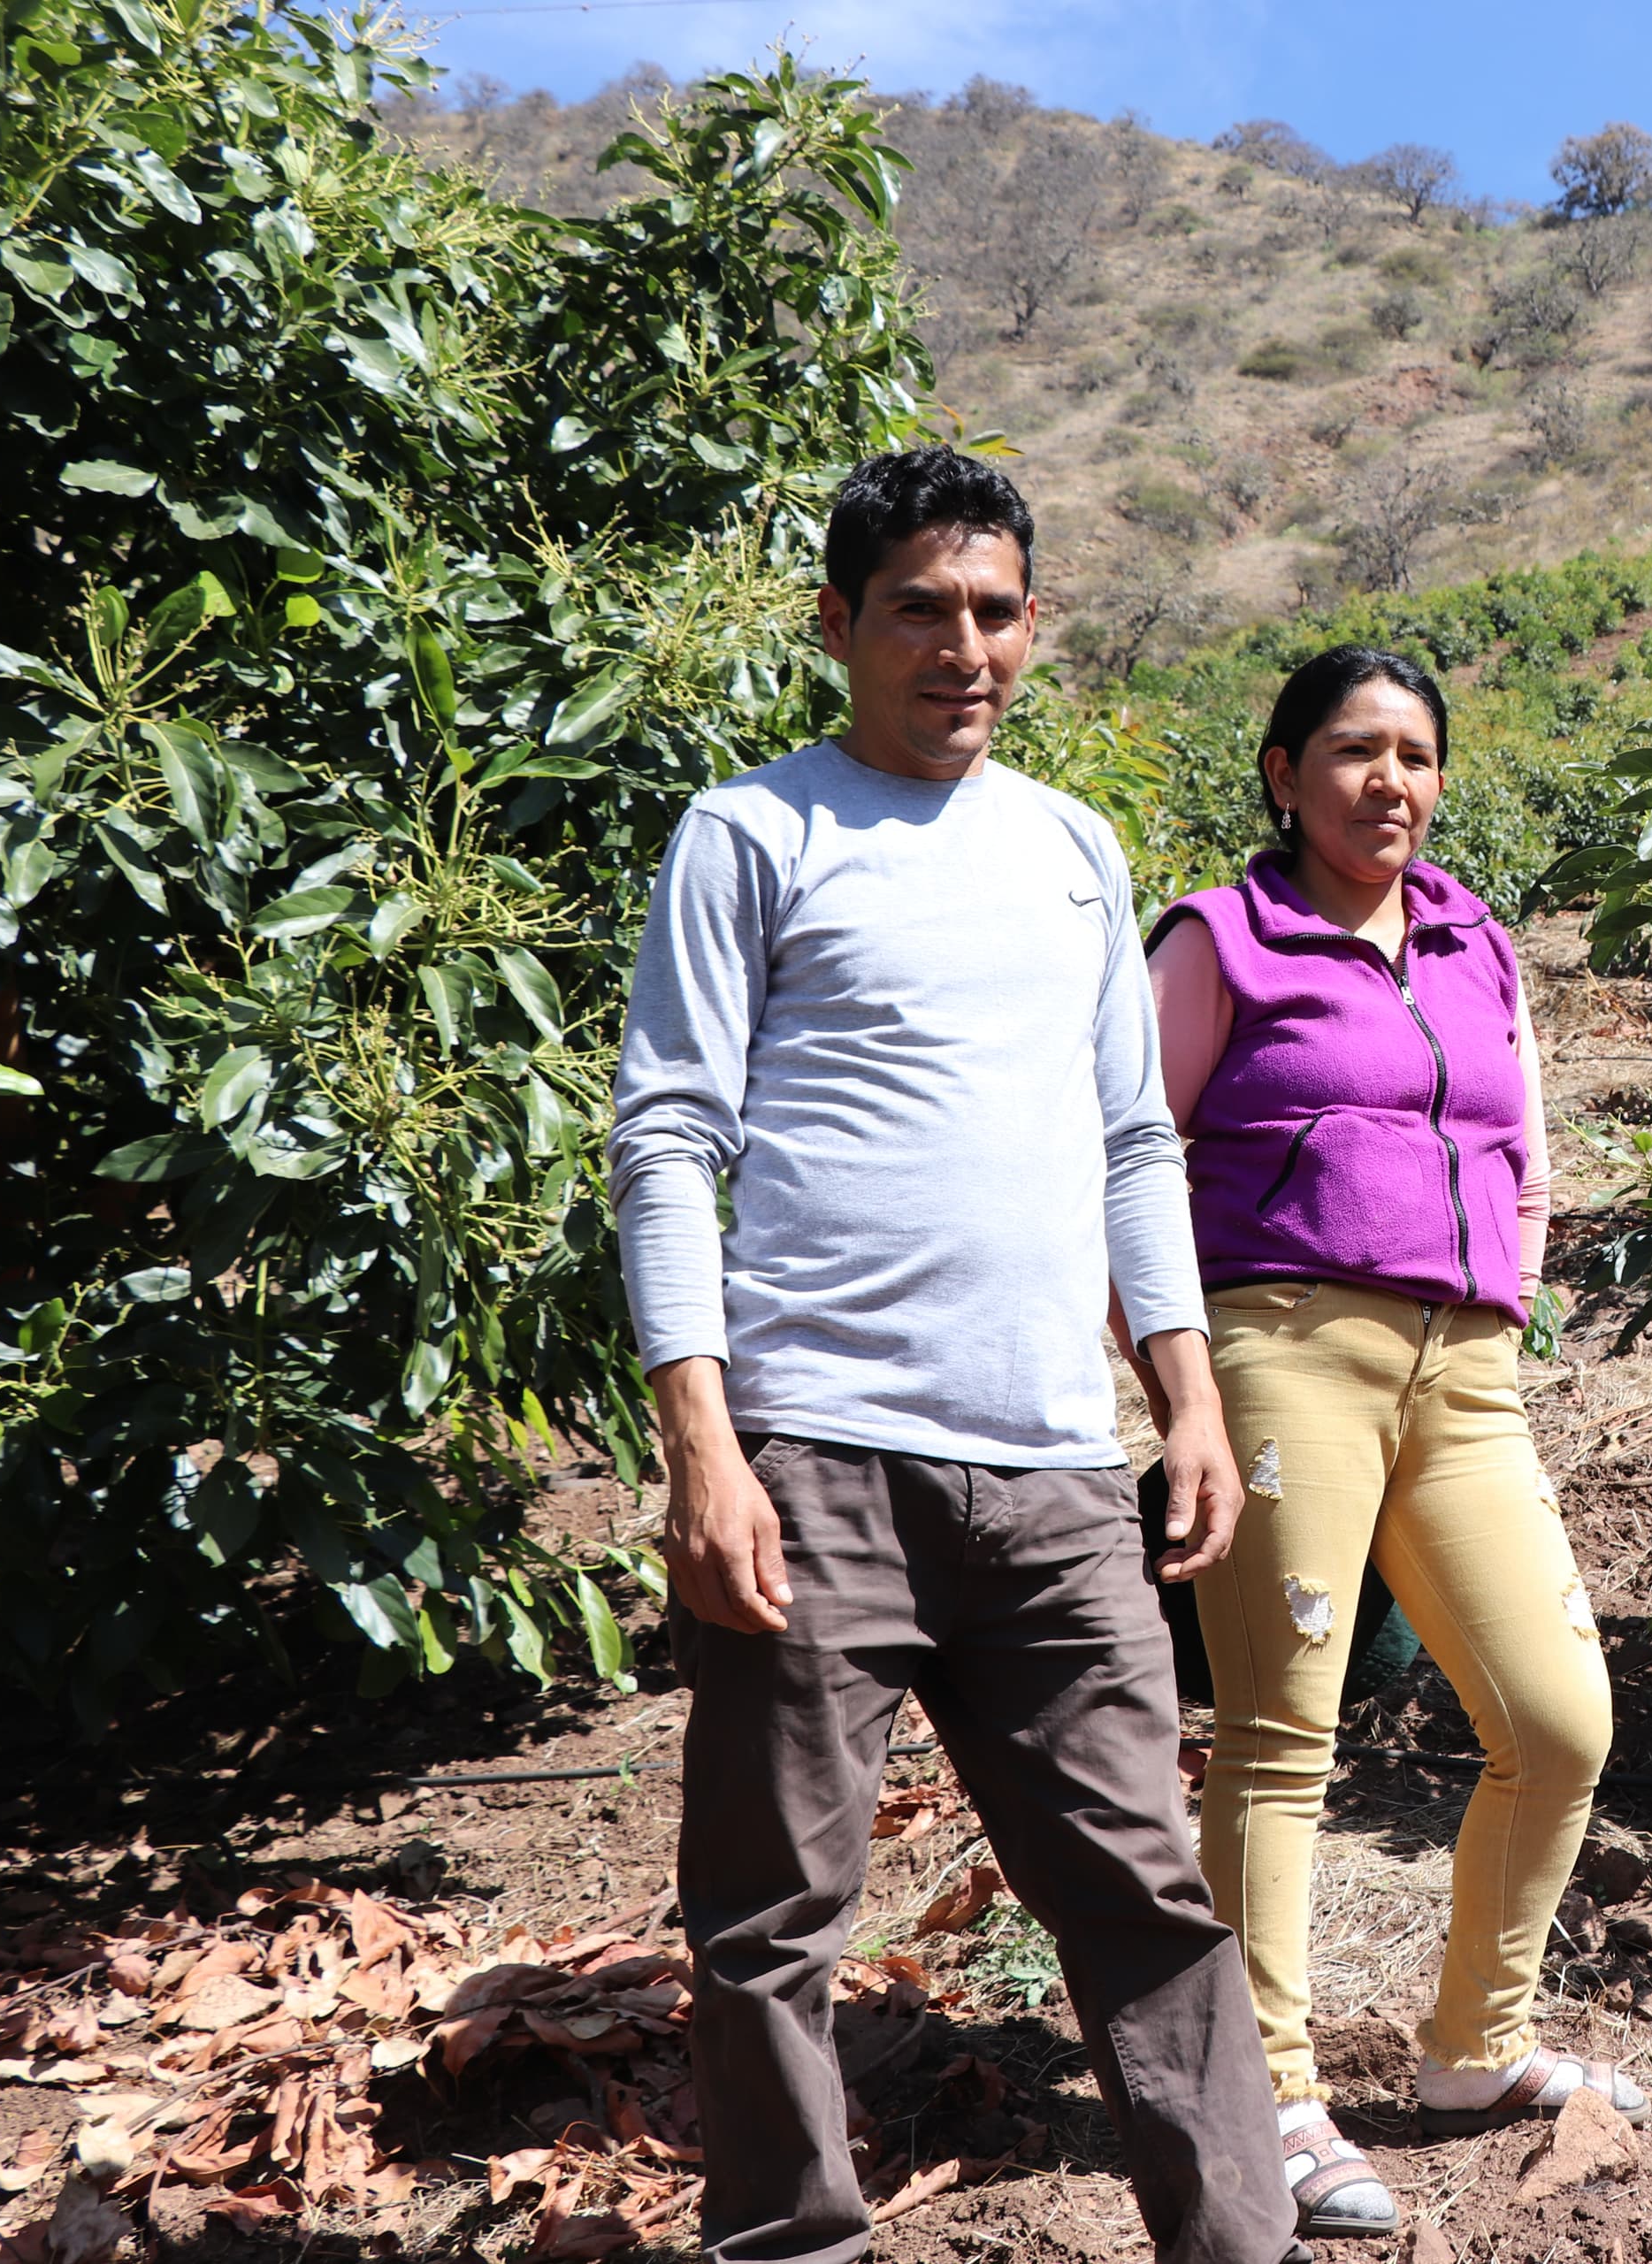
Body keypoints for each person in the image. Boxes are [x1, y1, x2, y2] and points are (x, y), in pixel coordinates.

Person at [608, 447, 1305, 2264]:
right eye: (921, 607)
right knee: (771, 1921)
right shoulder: (753, 833)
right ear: (839, 625)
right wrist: (704, 1442)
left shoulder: (1073, 846)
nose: (964, 646)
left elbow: (1134, 1142)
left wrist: (1190, 1392)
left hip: (1053, 1469)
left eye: (997, 610)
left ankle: (1238, 2242)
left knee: (1150, 1893)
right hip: (816, 1456)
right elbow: (668, 1138)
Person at [1141, 646, 1633, 2238]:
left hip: (1467, 1365)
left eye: (1416, 755)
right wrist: (1185, 1390)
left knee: (1559, 1722)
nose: (1390, 784)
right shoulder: (1224, 937)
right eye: (1354, 752)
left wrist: (1511, 1294)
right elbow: (1131, 1160)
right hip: (1285, 1350)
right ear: (1283, 773)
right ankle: (1268, 2095)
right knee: (1284, 1735)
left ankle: (1474, 2052)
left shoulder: (1473, 939)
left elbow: (1524, 1147)